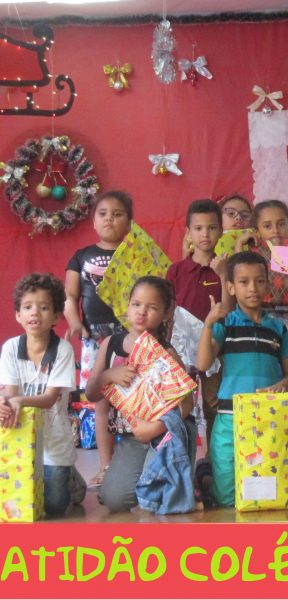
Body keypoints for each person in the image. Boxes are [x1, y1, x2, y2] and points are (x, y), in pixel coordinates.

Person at [85, 276, 195, 513]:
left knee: (158, 494)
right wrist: (107, 376)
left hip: (164, 435)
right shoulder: (111, 344)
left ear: (165, 314)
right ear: (127, 306)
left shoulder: (166, 352)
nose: (141, 312)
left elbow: (187, 403)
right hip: (131, 438)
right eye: (136, 304)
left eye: (151, 307)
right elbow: (91, 394)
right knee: (114, 499)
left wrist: (155, 428)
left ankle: (177, 481)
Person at [196, 252, 288, 507]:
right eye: (244, 282)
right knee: (227, 494)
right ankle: (206, 478)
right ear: (231, 287)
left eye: (259, 281)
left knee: (265, 494)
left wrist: (281, 386)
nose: (252, 288)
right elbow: (203, 364)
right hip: (230, 418)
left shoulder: (278, 328)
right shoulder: (226, 324)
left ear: (267, 284)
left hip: (268, 419)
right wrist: (208, 324)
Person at [0, 273, 86, 517]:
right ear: (18, 315)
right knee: (21, 501)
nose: (35, 313)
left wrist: (18, 400)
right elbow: (10, 394)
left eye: (44, 307)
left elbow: (49, 399)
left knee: (53, 506)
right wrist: (5, 402)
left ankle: (72, 479)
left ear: (57, 316)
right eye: (27, 307)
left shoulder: (63, 350)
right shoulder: (10, 348)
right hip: (21, 435)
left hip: (54, 439)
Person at [64, 190, 132, 489]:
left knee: (133, 399)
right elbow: (70, 295)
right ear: (93, 220)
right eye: (103, 214)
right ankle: (105, 466)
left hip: (130, 338)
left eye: (117, 214)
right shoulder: (81, 256)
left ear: (129, 222)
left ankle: (136, 465)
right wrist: (75, 323)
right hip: (95, 339)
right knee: (101, 402)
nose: (109, 219)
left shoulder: (136, 253)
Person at [167, 200, 231, 444]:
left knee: (214, 403)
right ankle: (181, 454)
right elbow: (168, 310)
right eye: (198, 228)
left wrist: (223, 274)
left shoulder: (225, 267)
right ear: (188, 232)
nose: (205, 234)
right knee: (181, 401)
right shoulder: (176, 270)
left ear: (221, 231)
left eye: (212, 228)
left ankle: (215, 458)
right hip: (181, 347)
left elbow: (228, 310)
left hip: (214, 345)